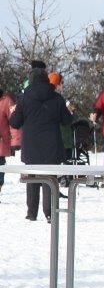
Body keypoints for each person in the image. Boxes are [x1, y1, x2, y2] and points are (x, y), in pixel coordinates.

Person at [9, 69, 73, 221]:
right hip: (52, 145)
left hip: (31, 146)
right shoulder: (57, 98)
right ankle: (50, 212)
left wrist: (14, 112)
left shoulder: (24, 98)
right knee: (50, 179)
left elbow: (15, 123)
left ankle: (31, 213)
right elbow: (66, 121)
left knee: (32, 178)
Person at [0, 86, 14, 202]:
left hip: (1, 142)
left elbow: (14, 120)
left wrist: (16, 141)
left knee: (0, 167)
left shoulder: (6, 101)